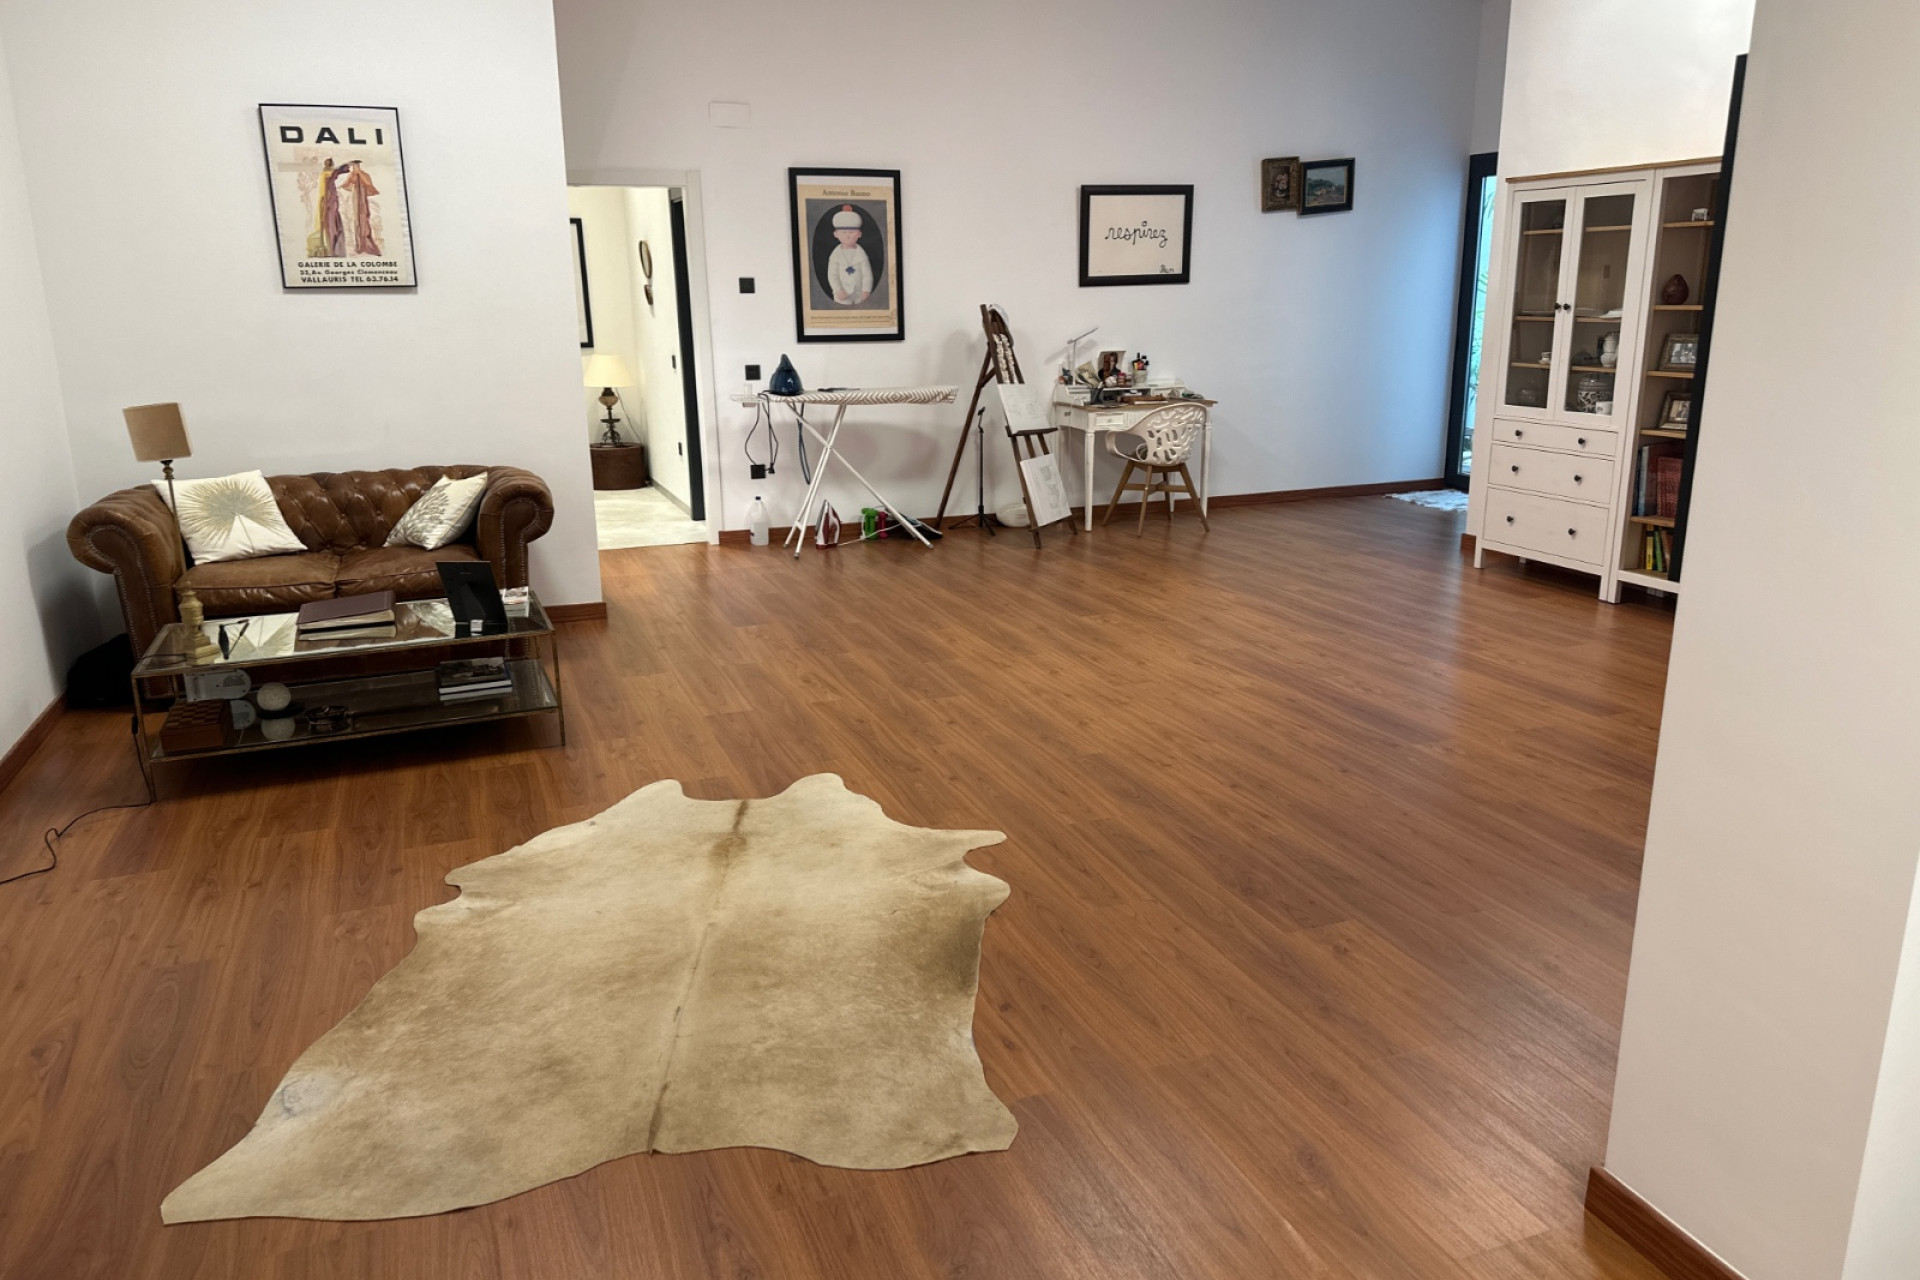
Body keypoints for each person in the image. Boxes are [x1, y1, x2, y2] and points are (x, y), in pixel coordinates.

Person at [824, 204, 873, 305]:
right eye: (844, 232)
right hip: (842, 294)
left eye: (851, 232)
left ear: (859, 234)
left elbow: (867, 274)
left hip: (859, 294)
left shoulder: (861, 254)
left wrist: (866, 290)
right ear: (836, 234)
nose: (848, 236)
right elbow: (832, 275)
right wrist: (838, 290)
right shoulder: (835, 255)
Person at [338, 160, 382, 257]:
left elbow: (368, 184)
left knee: (364, 218)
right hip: (355, 196)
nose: (354, 168)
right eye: (353, 166)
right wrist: (340, 186)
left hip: (362, 197)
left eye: (356, 166)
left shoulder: (364, 174)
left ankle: (368, 245)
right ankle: (359, 245)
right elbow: (346, 184)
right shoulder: (352, 175)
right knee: (357, 220)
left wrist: (359, 174)